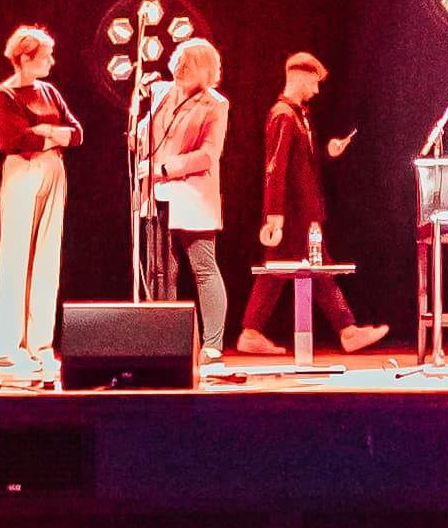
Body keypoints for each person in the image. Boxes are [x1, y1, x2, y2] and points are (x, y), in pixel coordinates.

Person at [0, 26, 78, 384]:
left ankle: (40, 344)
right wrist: (55, 135)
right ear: (25, 58)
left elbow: (78, 131)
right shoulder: (5, 94)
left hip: (54, 169)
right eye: (45, 56)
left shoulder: (50, 92)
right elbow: (14, 138)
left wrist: (46, 132)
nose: (52, 61)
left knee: (47, 258)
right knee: (15, 258)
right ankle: (9, 347)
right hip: (22, 170)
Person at [256, 49, 356, 354]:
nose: (316, 89)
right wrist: (274, 214)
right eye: (314, 81)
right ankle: (347, 329)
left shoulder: (299, 116)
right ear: (299, 76)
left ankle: (250, 330)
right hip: (294, 212)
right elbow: (275, 167)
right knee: (316, 268)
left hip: (304, 209)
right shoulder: (284, 116)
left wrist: (329, 152)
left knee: (277, 271)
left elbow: (303, 164)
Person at [145, 34, 235, 361]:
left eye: (189, 65)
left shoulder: (215, 104)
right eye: (178, 62)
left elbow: (209, 154)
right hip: (158, 194)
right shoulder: (161, 93)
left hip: (193, 194)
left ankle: (212, 343)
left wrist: (167, 167)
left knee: (203, 267)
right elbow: (143, 136)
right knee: (159, 271)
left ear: (206, 70)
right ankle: (165, 343)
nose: (180, 68)